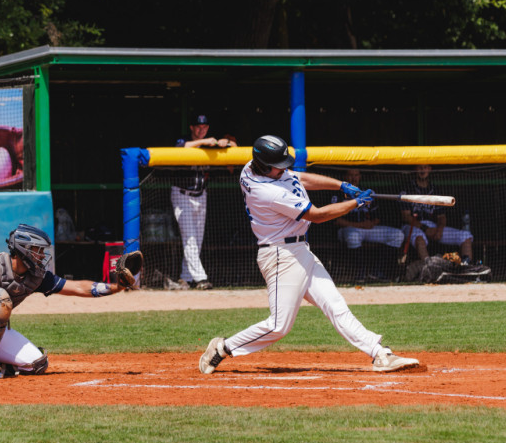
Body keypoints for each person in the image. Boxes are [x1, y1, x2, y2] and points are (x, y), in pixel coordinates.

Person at [199, 135, 419, 374]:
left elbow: (301, 178)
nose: (283, 169)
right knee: (279, 325)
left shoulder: (252, 169)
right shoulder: (267, 192)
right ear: (264, 165)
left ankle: (380, 354)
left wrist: (341, 185)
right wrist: (356, 203)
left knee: (335, 306)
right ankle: (223, 347)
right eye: (278, 165)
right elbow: (318, 215)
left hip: (299, 250)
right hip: (281, 256)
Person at [0, 224, 131, 379]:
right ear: (24, 250)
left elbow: (77, 287)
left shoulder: (36, 276)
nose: (42, 256)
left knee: (36, 364)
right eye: (38, 250)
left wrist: (117, 287)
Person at [170, 112, 236, 290]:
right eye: (198, 127)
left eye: (205, 127)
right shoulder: (184, 140)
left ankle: (186, 278)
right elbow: (180, 148)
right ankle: (201, 278)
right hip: (182, 194)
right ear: (192, 127)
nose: (201, 129)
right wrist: (204, 142)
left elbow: (235, 147)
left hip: (201, 194)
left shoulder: (211, 143)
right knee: (190, 237)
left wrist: (226, 142)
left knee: (196, 239)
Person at [334, 167, 405, 281]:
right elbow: (336, 220)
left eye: (356, 175)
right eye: (351, 175)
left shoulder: (366, 192)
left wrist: (371, 223)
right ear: (345, 177)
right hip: (348, 229)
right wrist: (359, 225)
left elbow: (378, 216)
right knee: (353, 237)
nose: (353, 178)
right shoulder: (338, 194)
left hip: (367, 229)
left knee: (397, 235)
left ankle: (378, 272)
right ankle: (360, 273)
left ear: (360, 176)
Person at [400, 165, 473, 264]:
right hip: (412, 226)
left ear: (430, 169)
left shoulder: (435, 189)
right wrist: (425, 229)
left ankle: (466, 267)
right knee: (419, 239)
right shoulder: (407, 189)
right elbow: (406, 216)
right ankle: (430, 268)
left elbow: (441, 216)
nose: (422, 169)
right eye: (420, 167)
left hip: (432, 226)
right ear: (415, 169)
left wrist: (439, 229)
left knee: (465, 236)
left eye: (425, 167)